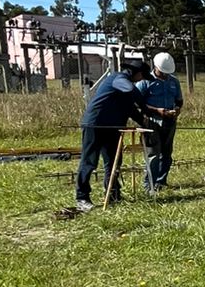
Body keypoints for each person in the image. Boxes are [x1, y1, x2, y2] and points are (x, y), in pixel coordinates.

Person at [75, 62, 151, 211]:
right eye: (142, 76)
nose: (141, 79)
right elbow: (130, 89)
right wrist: (142, 103)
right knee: (89, 161)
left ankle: (113, 194)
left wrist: (144, 121)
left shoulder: (125, 90)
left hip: (114, 127)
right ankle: (82, 197)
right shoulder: (118, 79)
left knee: (114, 162)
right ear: (135, 72)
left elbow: (130, 109)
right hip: (95, 124)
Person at [137, 51, 183, 193]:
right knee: (153, 155)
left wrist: (177, 109)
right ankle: (149, 185)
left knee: (167, 154)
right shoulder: (145, 82)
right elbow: (138, 103)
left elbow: (179, 100)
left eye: (167, 73)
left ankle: (161, 182)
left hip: (169, 121)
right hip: (151, 122)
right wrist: (157, 111)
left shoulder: (173, 81)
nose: (165, 75)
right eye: (162, 72)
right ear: (155, 67)